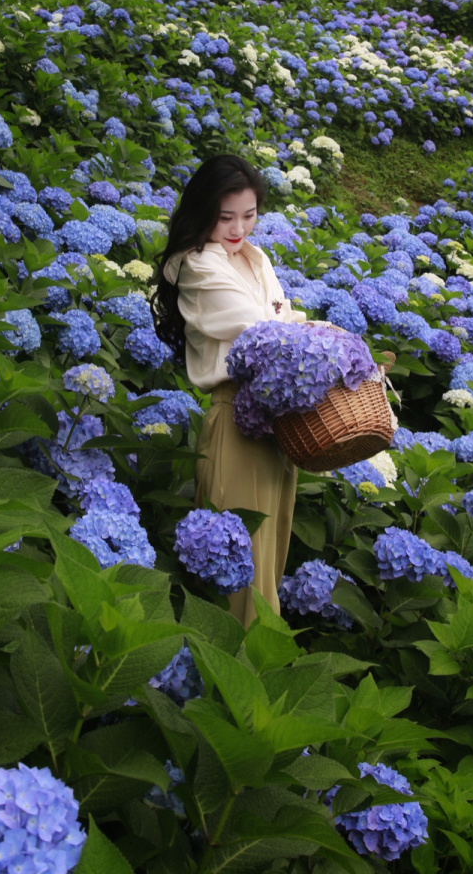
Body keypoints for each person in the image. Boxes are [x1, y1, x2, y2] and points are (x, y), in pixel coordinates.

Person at [153, 154, 306, 626]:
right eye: (225, 218)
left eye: (249, 215)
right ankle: (225, 683)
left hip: (278, 426)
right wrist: (322, 340)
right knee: (238, 583)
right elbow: (264, 328)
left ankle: (253, 678)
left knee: (269, 562)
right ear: (203, 213)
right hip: (238, 423)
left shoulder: (254, 259)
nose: (239, 228)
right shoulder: (197, 265)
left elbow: (289, 321)